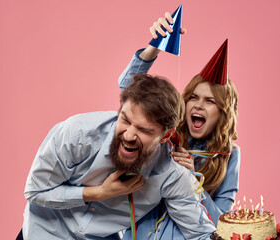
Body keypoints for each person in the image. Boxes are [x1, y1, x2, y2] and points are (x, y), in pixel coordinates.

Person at [20, 73, 216, 239]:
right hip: (43, 232)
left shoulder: (173, 177)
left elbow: (199, 233)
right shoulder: (77, 134)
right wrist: (98, 193)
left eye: (144, 130)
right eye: (125, 120)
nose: (129, 135)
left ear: (165, 135)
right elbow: (35, 192)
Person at [120, 12, 240, 240]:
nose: (199, 106)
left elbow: (223, 226)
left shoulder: (229, 155)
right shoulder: (165, 134)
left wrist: (193, 181)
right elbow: (129, 92)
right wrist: (153, 48)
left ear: (223, 113)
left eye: (210, 101)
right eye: (193, 97)